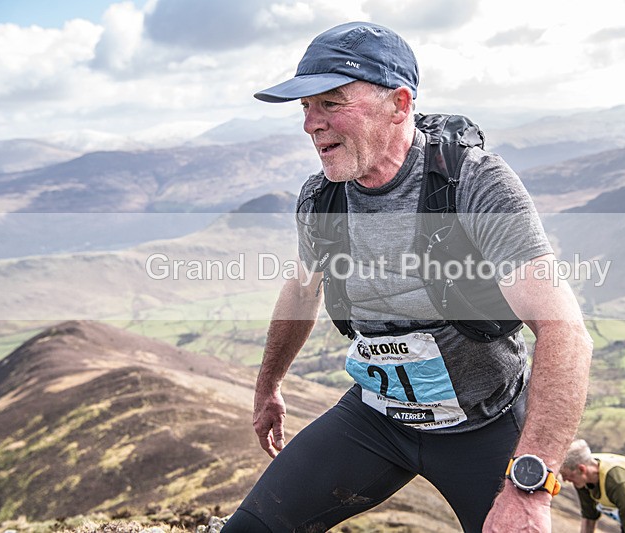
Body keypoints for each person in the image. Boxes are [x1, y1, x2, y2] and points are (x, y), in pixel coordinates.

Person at [222, 21, 592, 533]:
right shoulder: (321, 199)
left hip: (483, 425)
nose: (310, 124)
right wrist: (268, 386)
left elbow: (565, 331)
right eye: (305, 107)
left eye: (330, 103)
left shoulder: (475, 184)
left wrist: (530, 488)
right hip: (376, 417)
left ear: (399, 104)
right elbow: (303, 289)